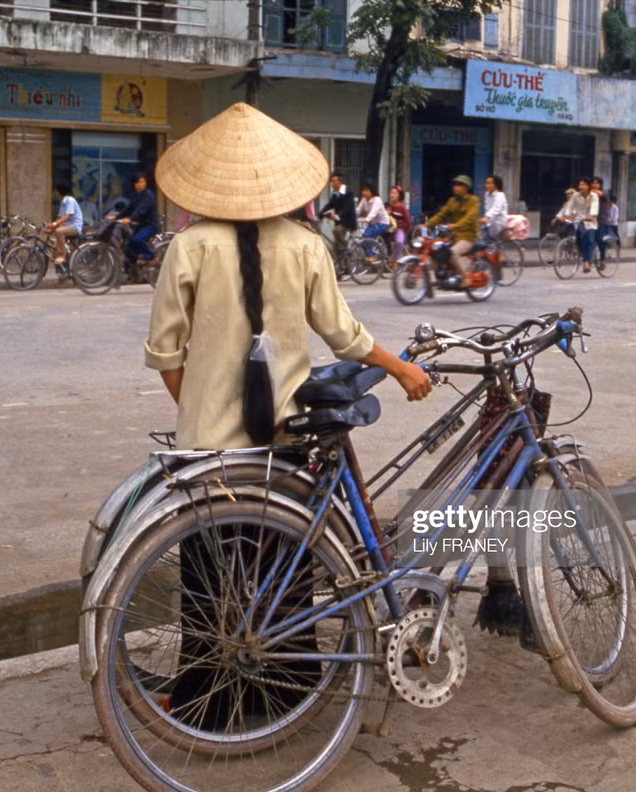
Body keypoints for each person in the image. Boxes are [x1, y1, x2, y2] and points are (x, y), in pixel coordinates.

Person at [143, 102, 431, 729]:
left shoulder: (186, 247)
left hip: (206, 449)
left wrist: (201, 410)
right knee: (286, 565)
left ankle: (208, 702)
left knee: (210, 582)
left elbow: (166, 356)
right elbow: (346, 339)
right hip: (287, 442)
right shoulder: (306, 246)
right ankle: (286, 691)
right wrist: (404, 368)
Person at [423, 174, 483, 284]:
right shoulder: (452, 201)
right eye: (455, 184)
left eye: (459, 185)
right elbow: (441, 215)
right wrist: (426, 225)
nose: (455, 187)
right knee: (436, 252)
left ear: (466, 187)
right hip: (453, 236)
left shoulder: (473, 201)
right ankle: (441, 276)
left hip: (468, 236)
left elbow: (470, 217)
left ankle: (464, 278)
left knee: (452, 254)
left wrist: (456, 225)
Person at [111, 173, 160, 272]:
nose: (141, 184)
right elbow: (128, 209)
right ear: (134, 184)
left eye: (143, 182)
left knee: (136, 240)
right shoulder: (137, 196)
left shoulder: (148, 195)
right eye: (139, 182)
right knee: (129, 249)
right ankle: (134, 274)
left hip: (151, 225)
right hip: (141, 225)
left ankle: (151, 257)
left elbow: (141, 210)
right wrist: (115, 217)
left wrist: (130, 219)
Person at [46, 183, 84, 273]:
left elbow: (68, 216)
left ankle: (63, 255)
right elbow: (59, 218)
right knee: (54, 250)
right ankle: (63, 273)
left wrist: (54, 225)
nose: (54, 193)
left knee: (59, 232)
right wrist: (51, 228)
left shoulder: (70, 200)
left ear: (59, 191)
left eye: (55, 190)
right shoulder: (63, 202)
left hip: (74, 226)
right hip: (67, 226)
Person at [319, 172, 358, 258]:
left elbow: (348, 208)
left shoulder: (348, 192)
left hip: (348, 221)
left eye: (334, 181)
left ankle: (345, 249)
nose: (332, 184)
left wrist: (337, 215)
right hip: (340, 221)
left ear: (340, 182)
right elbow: (330, 204)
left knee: (336, 231)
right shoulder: (335, 193)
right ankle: (342, 264)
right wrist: (321, 213)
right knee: (337, 243)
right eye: (331, 182)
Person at [572, 177, 600, 273]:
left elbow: (594, 208)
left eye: (583, 184)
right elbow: (570, 206)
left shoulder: (594, 196)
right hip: (579, 221)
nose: (581, 186)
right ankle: (584, 256)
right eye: (580, 184)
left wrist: (591, 215)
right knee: (578, 241)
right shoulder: (575, 195)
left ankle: (586, 262)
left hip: (590, 222)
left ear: (588, 186)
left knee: (589, 240)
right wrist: (566, 216)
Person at [387, 185, 412, 259]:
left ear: (399, 195)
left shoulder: (402, 208)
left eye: (394, 193)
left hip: (399, 228)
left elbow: (408, 222)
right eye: (391, 192)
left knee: (399, 242)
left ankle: (395, 259)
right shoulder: (388, 206)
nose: (392, 195)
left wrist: (401, 228)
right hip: (389, 228)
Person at [592, 177, 610, 262]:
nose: (594, 185)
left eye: (597, 183)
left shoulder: (604, 193)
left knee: (600, 239)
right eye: (593, 183)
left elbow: (600, 194)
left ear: (600, 185)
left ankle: (603, 258)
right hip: (592, 219)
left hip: (602, 220)